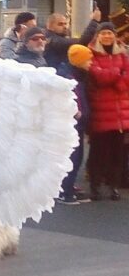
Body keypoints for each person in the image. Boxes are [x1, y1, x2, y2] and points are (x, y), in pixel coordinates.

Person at [86, 22, 129, 201]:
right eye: (103, 33)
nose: (107, 36)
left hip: (121, 114)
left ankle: (113, 186)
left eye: (110, 33)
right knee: (98, 152)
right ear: (98, 36)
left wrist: (116, 78)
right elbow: (99, 77)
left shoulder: (123, 54)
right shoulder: (90, 54)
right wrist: (116, 75)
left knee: (118, 153)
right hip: (101, 111)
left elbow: (126, 78)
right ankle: (95, 185)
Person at [54, 44, 93, 204]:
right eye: (88, 60)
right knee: (72, 157)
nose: (91, 63)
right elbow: (68, 98)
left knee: (77, 157)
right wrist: (77, 113)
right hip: (72, 124)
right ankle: (65, 190)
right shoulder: (69, 77)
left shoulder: (77, 74)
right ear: (79, 61)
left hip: (78, 123)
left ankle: (69, 186)